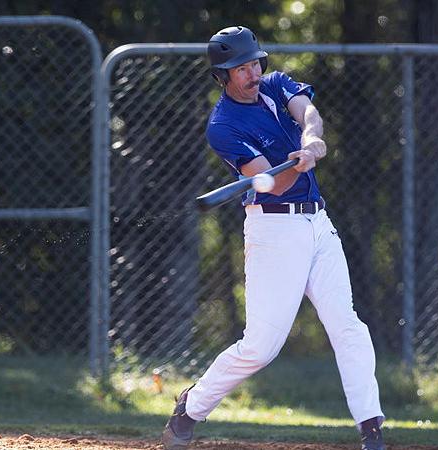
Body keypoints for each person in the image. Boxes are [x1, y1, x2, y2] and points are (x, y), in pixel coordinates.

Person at [161, 26, 386, 450]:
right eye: (238, 68)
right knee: (260, 348)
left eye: (252, 64)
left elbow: (309, 114)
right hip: (274, 229)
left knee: (347, 325)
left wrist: (312, 139)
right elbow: (272, 185)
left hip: (318, 222)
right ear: (221, 77)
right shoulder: (223, 126)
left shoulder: (276, 84)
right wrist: (294, 166)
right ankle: (192, 406)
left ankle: (371, 429)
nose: (250, 73)